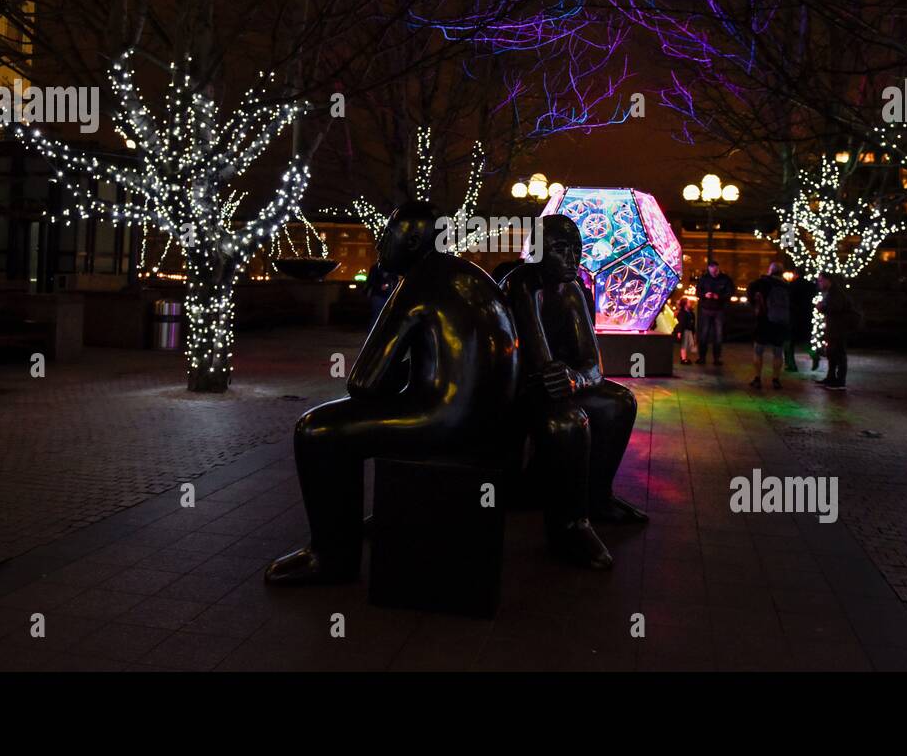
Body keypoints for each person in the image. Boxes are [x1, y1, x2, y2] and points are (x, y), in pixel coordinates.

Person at [265, 202, 519, 585]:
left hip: (444, 421)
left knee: (318, 430)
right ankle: (386, 518)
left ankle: (332, 556)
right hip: (489, 422)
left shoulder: (419, 281)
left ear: (415, 240)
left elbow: (365, 382)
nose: (379, 244)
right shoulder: (468, 275)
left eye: (386, 235)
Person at [502, 214, 646, 571]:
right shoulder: (522, 283)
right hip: (513, 387)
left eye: (577, 250)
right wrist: (565, 378)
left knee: (619, 402)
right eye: (561, 250)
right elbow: (538, 362)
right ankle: (568, 524)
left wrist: (575, 380)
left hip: (553, 382)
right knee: (569, 422)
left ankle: (598, 497)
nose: (572, 258)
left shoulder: (572, 289)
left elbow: (592, 363)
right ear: (536, 251)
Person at [746, 261, 790, 389]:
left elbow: (750, 294)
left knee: (758, 350)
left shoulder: (761, 282)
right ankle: (776, 379)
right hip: (781, 322)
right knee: (778, 352)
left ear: (769, 270)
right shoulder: (786, 285)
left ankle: (757, 378)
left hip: (764, 321)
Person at [816, 271, 856, 390]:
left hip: (837, 329)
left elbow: (835, 308)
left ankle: (839, 381)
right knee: (832, 354)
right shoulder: (833, 291)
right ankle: (831, 377)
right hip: (835, 328)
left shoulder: (835, 292)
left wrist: (821, 307)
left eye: (821, 280)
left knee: (838, 354)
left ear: (828, 280)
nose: (819, 283)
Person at [694, 259, 734, 364]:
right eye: (712, 270)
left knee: (715, 335)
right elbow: (698, 292)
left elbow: (730, 292)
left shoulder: (710, 279)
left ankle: (711, 358)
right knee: (708, 334)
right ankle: (708, 357)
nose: (713, 272)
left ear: (717, 268)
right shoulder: (707, 279)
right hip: (710, 308)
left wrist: (717, 297)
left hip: (715, 309)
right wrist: (705, 295)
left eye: (715, 270)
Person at [785, 268, 820, 372]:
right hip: (807, 316)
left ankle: (792, 365)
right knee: (805, 341)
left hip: (793, 316)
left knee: (789, 342)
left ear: (795, 274)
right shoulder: (811, 285)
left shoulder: (791, 285)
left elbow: (788, 300)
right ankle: (814, 355)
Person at [363, 260, 398, 327]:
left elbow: (395, 279)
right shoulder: (375, 267)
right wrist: (380, 286)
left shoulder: (392, 268)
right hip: (378, 295)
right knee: (377, 316)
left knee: (383, 316)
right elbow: (371, 281)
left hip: (388, 295)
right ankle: (374, 333)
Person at [673, 298, 697, 363]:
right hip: (684, 330)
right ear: (685, 304)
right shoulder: (682, 313)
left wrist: (693, 332)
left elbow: (692, 323)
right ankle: (683, 358)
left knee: (688, 345)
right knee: (684, 344)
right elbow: (681, 323)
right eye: (688, 302)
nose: (690, 303)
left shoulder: (691, 312)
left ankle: (684, 357)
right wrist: (679, 332)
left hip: (689, 330)